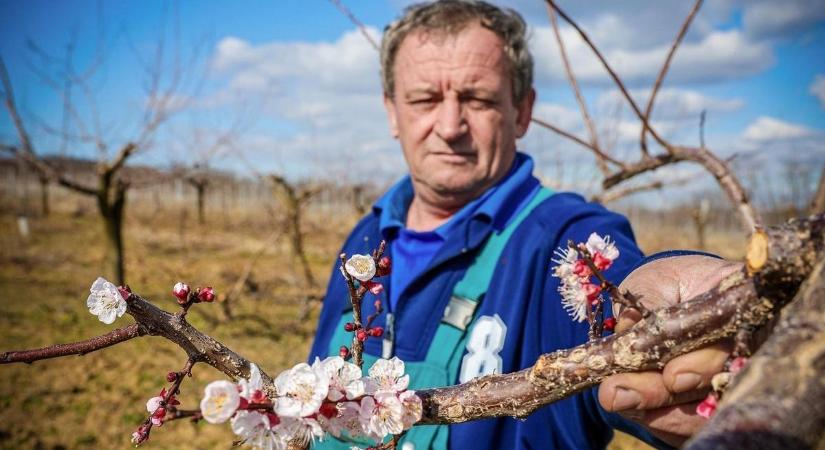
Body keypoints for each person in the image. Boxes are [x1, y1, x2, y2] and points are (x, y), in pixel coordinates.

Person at [309, 1, 737, 449]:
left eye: (478, 99)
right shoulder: (365, 241)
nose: (451, 126)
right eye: (424, 99)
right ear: (392, 111)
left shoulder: (562, 242)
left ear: (523, 111)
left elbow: (625, 288)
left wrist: (680, 306)